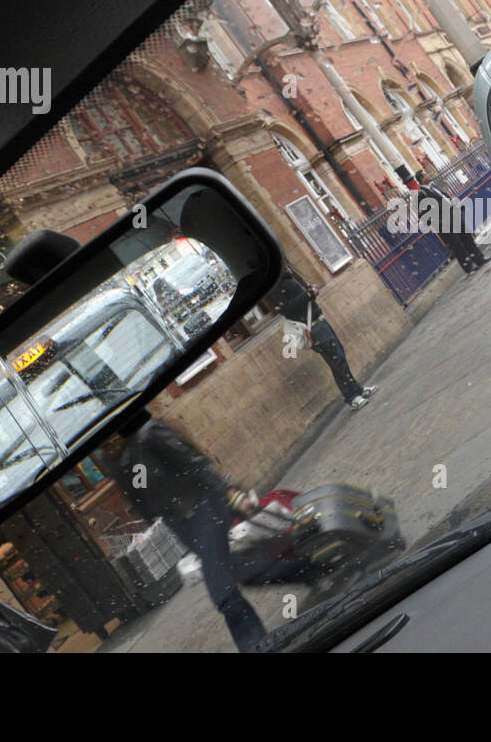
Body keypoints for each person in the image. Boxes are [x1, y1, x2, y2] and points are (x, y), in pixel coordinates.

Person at [111, 416, 270, 652]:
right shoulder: (117, 458)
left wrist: (234, 496)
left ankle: (256, 646)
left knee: (221, 591)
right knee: (236, 569)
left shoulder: (151, 433)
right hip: (182, 523)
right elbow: (142, 495)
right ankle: (304, 567)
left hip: (204, 508)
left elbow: (196, 465)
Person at [268, 266, 377, 410]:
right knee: (335, 360)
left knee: (339, 357)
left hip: (319, 321)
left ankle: (357, 389)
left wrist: (310, 291)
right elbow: (287, 309)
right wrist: (308, 295)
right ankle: (351, 396)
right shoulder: (274, 285)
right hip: (311, 327)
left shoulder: (287, 275)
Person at [415, 170, 489, 274]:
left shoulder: (433, 186)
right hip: (443, 222)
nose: (429, 175)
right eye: (426, 174)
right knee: (457, 245)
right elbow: (422, 214)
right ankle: (468, 267)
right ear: (421, 179)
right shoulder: (421, 194)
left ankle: (479, 259)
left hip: (453, 214)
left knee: (466, 237)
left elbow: (444, 197)